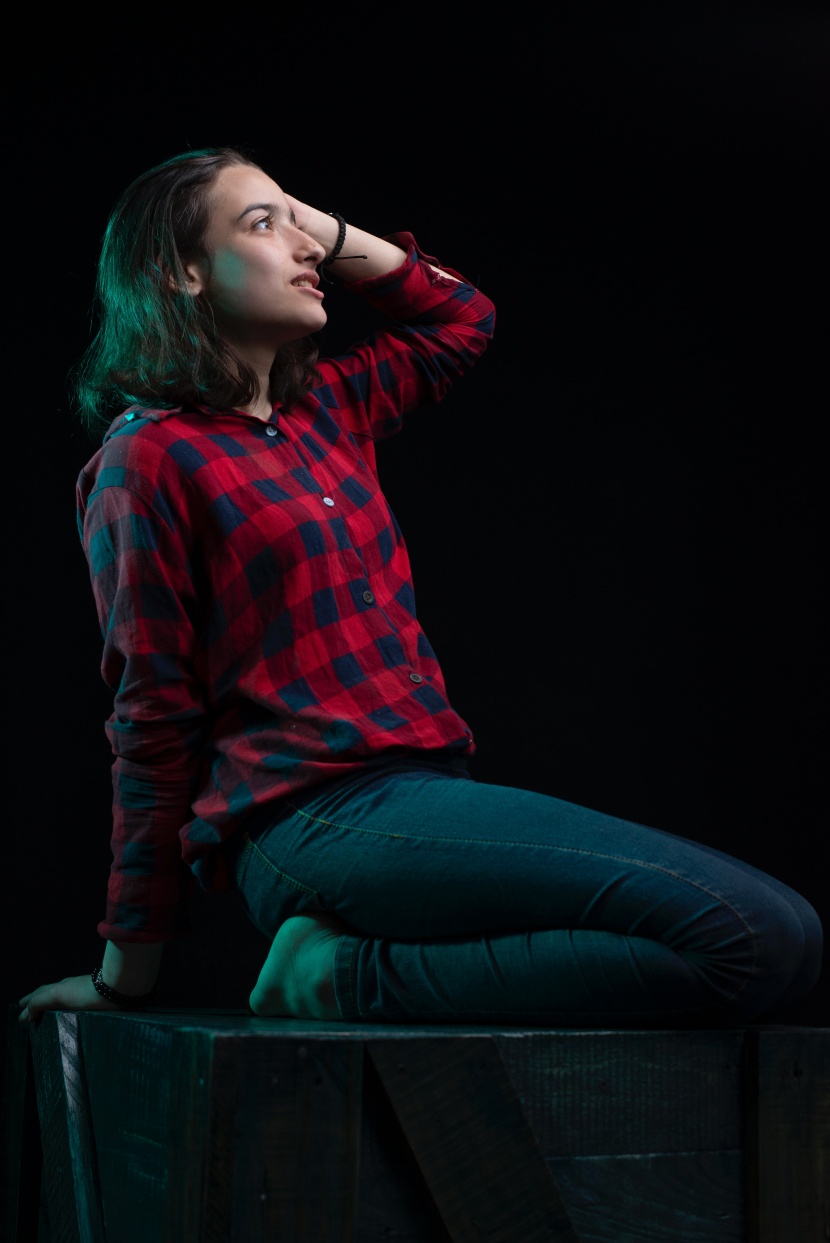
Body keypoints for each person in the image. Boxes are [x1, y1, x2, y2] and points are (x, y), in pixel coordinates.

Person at [19, 147, 821, 1028]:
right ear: (182, 273)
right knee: (755, 937)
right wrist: (124, 973)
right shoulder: (147, 460)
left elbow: (461, 319)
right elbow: (152, 717)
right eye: (263, 224)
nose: (306, 246)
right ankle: (331, 978)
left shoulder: (328, 409)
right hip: (304, 819)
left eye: (301, 221)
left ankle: (338, 969)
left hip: (423, 791)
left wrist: (313, 225)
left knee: (775, 942)